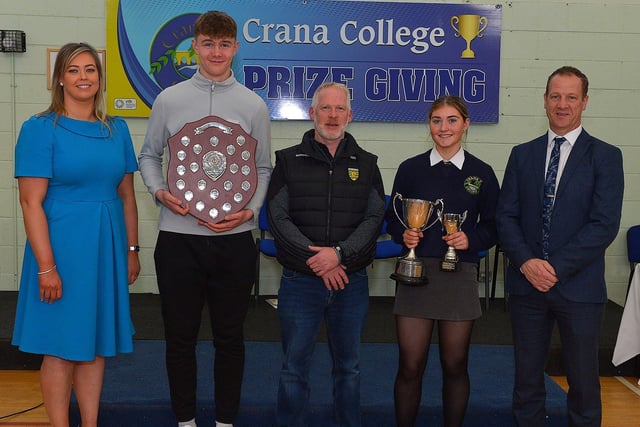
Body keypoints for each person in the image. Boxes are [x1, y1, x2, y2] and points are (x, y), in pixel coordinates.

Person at [138, 10, 271, 427]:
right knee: (180, 337)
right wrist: (160, 192)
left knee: (230, 338)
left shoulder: (253, 105)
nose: (216, 51)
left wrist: (251, 210)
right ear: (194, 46)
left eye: (224, 44)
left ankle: (226, 420)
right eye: (208, 43)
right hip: (179, 240)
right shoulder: (168, 99)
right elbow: (148, 156)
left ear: (235, 47)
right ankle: (185, 420)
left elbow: (263, 168)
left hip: (235, 241)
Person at [11, 42, 139, 427]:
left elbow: (128, 197)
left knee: (95, 345)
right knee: (60, 347)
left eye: (90, 69)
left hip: (106, 248)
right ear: (60, 80)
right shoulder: (38, 129)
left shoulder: (117, 129)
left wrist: (131, 249)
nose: (83, 77)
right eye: (73, 70)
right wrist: (46, 267)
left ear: (100, 79)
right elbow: (31, 203)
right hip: (60, 250)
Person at [496, 66, 624, 426]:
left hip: (579, 288)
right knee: (526, 382)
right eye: (555, 96)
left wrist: (554, 268)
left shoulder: (606, 156)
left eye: (571, 97)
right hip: (527, 286)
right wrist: (527, 263)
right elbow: (506, 217)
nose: (562, 104)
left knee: (583, 383)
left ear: (585, 102)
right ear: (545, 101)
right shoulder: (522, 155)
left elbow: (604, 225)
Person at [266, 82, 385, 427]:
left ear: (350, 114)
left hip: (351, 281)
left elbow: (374, 218)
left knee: (349, 368)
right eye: (325, 108)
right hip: (300, 282)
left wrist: (340, 254)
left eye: (339, 109)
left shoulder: (367, 164)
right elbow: (278, 217)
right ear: (311, 113)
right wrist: (317, 260)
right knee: (293, 368)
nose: (332, 116)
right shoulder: (287, 161)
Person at [385, 95, 499, 427]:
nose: (444, 128)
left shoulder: (482, 173)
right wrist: (402, 235)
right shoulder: (410, 169)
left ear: (466, 124)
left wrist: (470, 240)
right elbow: (394, 219)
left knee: (455, 364)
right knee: (410, 364)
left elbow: (494, 226)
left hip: (459, 275)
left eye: (452, 120)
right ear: (429, 124)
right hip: (415, 275)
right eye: (437, 120)